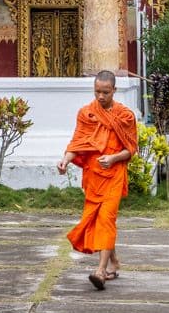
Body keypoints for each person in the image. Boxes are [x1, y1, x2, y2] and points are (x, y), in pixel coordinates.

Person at [58, 70, 137, 290]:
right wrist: (65, 160)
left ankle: (100, 271)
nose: (101, 96)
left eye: (105, 92)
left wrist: (113, 158)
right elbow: (77, 143)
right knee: (96, 220)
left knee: (106, 220)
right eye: (97, 92)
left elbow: (131, 149)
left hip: (114, 174)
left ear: (114, 90)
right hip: (93, 176)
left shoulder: (125, 116)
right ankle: (114, 262)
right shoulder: (87, 114)